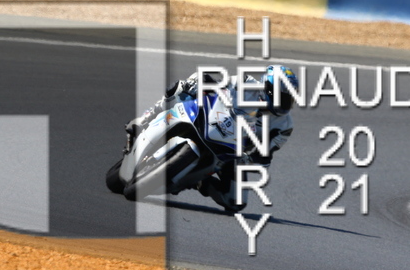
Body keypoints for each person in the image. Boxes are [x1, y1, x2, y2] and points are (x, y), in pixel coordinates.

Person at [126, 65, 299, 211]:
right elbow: (217, 85)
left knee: (235, 201)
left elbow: (266, 155)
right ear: (268, 88)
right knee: (184, 85)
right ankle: (147, 117)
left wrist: (250, 160)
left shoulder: (284, 126)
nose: (285, 104)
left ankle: (198, 181)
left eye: (289, 99)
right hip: (211, 119)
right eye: (282, 97)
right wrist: (200, 84)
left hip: (231, 152)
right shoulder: (245, 82)